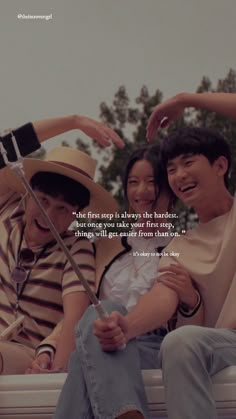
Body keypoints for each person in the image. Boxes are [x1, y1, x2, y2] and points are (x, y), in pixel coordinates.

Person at [53, 144, 202, 419]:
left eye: (151, 182)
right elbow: (77, 311)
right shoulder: (104, 245)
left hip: (154, 349)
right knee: (100, 319)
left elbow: (195, 324)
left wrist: (190, 299)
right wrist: (49, 350)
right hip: (98, 340)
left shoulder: (187, 246)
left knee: (82, 360)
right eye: (133, 182)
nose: (140, 191)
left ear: (170, 189)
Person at [0, 114, 124, 375]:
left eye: (63, 208)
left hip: (22, 353)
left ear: (76, 214)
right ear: (26, 195)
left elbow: (74, 316)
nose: (49, 215)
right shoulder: (6, 213)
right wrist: (73, 121)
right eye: (42, 200)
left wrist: (56, 371)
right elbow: (5, 147)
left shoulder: (76, 249)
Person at [146, 92, 236, 419]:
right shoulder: (178, 247)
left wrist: (188, 99)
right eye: (171, 169)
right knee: (180, 342)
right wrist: (124, 326)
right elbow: (168, 308)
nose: (179, 175)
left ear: (220, 165)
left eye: (188, 162)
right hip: (222, 348)